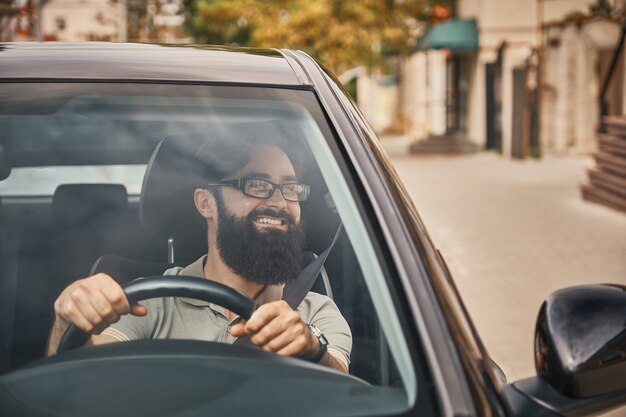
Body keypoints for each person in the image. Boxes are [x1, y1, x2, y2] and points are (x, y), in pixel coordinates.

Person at [46, 129, 352, 373]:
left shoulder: (315, 311)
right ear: (206, 203)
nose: (279, 202)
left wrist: (312, 350)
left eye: (290, 188)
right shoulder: (147, 303)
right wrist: (66, 323)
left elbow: (343, 387)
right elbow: (81, 384)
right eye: (257, 185)